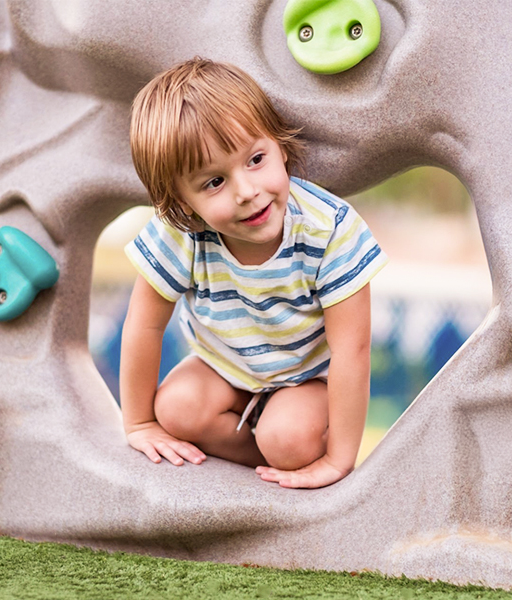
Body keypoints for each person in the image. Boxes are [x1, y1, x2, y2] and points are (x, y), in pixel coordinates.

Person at [121, 57, 387, 489]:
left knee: (289, 439)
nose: (247, 191)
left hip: (306, 376)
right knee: (174, 410)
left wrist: (339, 460)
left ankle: (283, 448)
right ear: (184, 202)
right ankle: (261, 452)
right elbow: (144, 325)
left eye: (256, 159)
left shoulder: (330, 229)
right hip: (224, 366)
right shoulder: (182, 233)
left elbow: (351, 352)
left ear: (279, 146)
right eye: (214, 182)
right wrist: (137, 423)